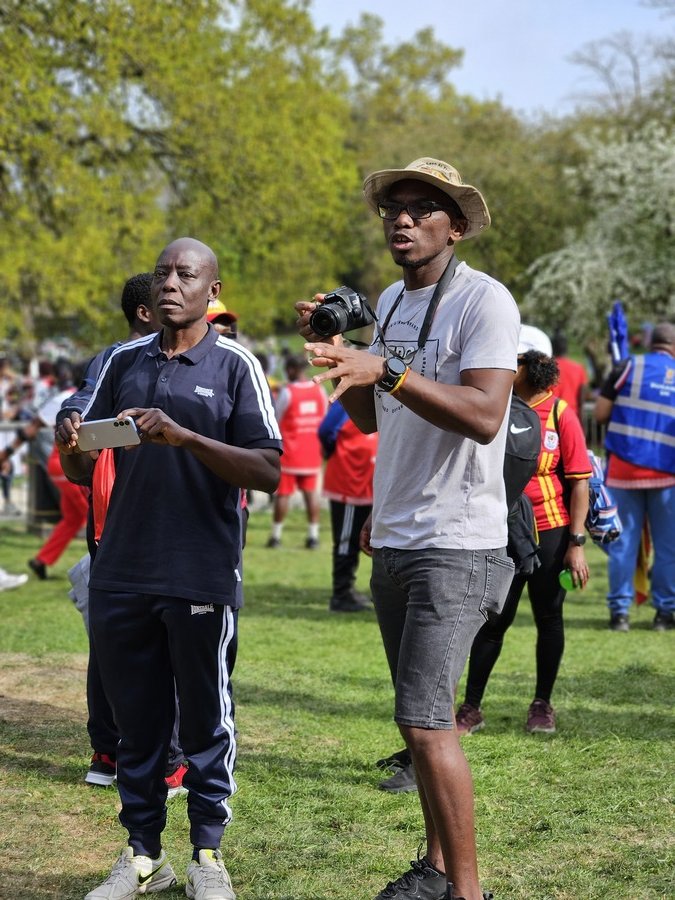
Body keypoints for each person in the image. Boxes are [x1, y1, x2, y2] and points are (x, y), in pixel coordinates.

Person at [297, 156, 518, 900]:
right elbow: (373, 419)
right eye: (393, 206)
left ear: (454, 227)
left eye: (422, 207)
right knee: (418, 722)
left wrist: (385, 370)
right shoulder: (389, 302)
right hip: (396, 536)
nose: (402, 217)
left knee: (426, 723)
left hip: (457, 543)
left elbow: (484, 416)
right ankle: (434, 867)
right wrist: (339, 361)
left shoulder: (485, 301)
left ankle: (467, 892)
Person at [56, 237, 281, 900]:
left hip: (199, 567)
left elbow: (268, 470)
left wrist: (183, 436)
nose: (170, 284)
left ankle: (208, 854)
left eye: (186, 274)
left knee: (206, 721)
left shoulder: (236, 364)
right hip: (122, 567)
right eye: (162, 274)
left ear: (213, 291)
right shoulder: (121, 360)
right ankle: (143, 857)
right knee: (138, 724)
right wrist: (70, 444)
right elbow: (81, 466)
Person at [455, 340, 591, 738]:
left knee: (549, 618)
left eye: (513, 361)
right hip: (501, 531)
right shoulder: (495, 406)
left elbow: (579, 482)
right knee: (494, 620)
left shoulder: (560, 413)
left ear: (532, 365)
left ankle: (542, 704)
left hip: (551, 532)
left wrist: (576, 543)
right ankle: (471, 707)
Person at [594, 321, 675, 632]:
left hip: (624, 471)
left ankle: (620, 614)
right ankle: (664, 614)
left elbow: (600, 414)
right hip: (667, 474)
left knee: (623, 544)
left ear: (651, 343)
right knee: (668, 548)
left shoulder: (627, 366)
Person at [0, 358, 90, 581]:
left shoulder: (74, 396)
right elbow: (31, 429)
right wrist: (5, 454)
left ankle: (41, 560)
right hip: (66, 463)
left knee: (74, 519)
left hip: (63, 463)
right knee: (96, 515)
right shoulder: (67, 398)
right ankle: (105, 570)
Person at [318, 398, 377, 612]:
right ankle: (341, 593)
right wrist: (337, 451)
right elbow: (326, 431)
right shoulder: (347, 401)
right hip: (350, 481)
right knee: (347, 541)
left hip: (369, 481)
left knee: (372, 540)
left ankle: (352, 591)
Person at [266, 353, 327, 549]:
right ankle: (313, 536)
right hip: (312, 450)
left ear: (292, 369)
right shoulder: (319, 390)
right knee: (311, 494)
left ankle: (276, 537)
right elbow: (324, 417)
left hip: (290, 452)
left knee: (283, 495)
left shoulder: (288, 392)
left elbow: (276, 418)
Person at [551, 330, 590, 420]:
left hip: (551, 417)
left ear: (552, 348)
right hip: (572, 417)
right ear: (566, 348)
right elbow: (581, 401)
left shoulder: (547, 368)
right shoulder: (579, 368)